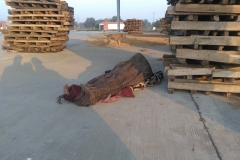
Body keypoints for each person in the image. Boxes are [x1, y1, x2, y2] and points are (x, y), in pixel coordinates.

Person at [57, 53, 163, 106]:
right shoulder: (137, 64)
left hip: (132, 74)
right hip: (125, 71)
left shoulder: (143, 73)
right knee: (107, 78)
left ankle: (80, 94)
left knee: (113, 82)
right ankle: (80, 91)